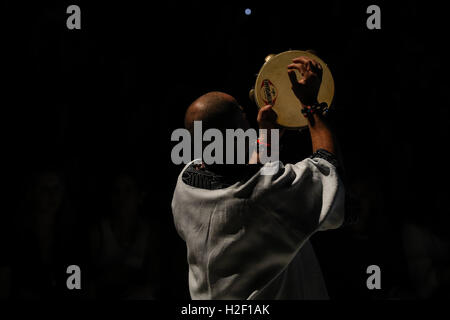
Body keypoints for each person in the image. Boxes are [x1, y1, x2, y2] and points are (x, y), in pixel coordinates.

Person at [171, 56, 345, 299]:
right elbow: (327, 169)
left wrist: (268, 140)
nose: (248, 119)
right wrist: (310, 105)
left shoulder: (186, 182)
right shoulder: (265, 194)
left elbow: (242, 176)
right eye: (242, 116)